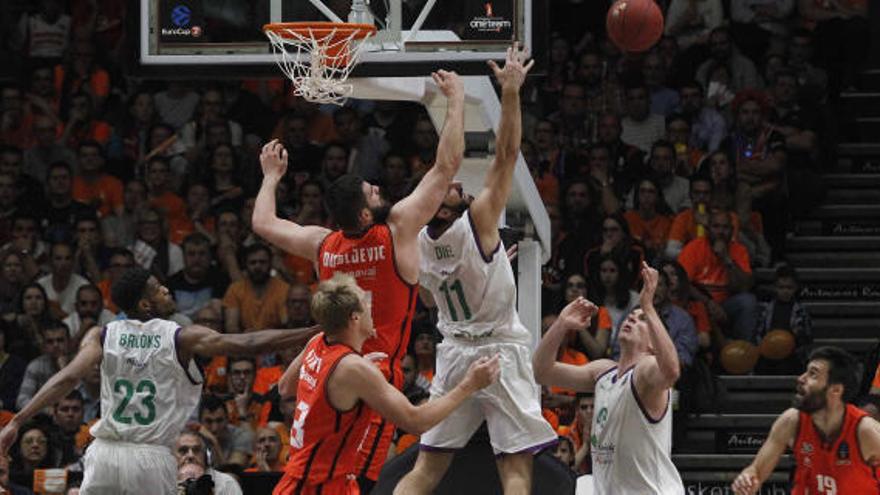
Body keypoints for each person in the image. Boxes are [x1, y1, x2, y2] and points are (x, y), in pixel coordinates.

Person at [253, 69, 466, 489]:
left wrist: (270, 177)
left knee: (323, 466)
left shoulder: (322, 244)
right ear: (367, 215)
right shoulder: (399, 228)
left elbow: (263, 222)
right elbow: (447, 166)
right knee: (348, 477)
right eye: (371, 192)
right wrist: (455, 100)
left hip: (331, 361)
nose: (377, 189)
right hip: (372, 374)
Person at [0, 266, 318, 494]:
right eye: (158, 288)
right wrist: (315, 331)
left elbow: (66, 378)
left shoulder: (102, 334)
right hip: (150, 457)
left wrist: (18, 420)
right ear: (145, 304)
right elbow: (247, 343)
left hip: (106, 453)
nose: (166, 289)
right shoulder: (179, 337)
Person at [394, 46, 554, 495]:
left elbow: (428, 297)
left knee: (427, 471)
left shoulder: (418, 242)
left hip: (455, 351)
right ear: (441, 207)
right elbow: (506, 154)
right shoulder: (479, 221)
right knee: (515, 470)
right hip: (499, 350)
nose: (455, 183)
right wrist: (510, 93)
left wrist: (485, 274)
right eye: (449, 187)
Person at [273, 273, 499, 494]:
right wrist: (468, 385)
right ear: (354, 318)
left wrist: (346, 381)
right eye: (366, 303)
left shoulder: (318, 343)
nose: (371, 307)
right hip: (320, 485)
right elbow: (415, 421)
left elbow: (285, 387)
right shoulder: (352, 369)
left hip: (308, 478)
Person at [533, 262, 685, 494]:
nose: (633, 318)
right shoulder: (603, 372)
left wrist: (648, 306)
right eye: (631, 316)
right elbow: (541, 371)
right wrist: (561, 324)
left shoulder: (646, 372)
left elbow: (671, 371)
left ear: (654, 343)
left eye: (642, 319)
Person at [732, 346, 880, 494]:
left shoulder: (865, 431)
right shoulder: (791, 421)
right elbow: (757, 470)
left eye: (813, 374)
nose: (801, 379)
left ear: (835, 390)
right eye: (805, 372)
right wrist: (747, 479)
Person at [175, 430, 242, 495]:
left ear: (206, 455)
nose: (191, 455)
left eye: (197, 450)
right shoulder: (165, 482)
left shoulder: (226, 483)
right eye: (183, 451)